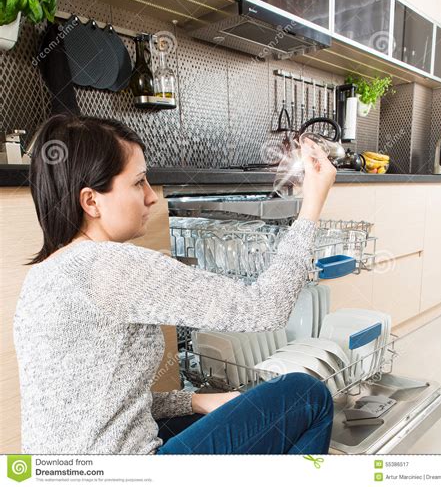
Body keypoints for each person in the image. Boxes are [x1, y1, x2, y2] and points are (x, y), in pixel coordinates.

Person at [13, 114, 337, 455]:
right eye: (138, 182)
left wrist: (195, 400)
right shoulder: (110, 265)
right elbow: (265, 309)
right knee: (307, 396)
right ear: (91, 201)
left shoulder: (43, 276)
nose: (152, 197)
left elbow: (101, 408)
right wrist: (311, 206)